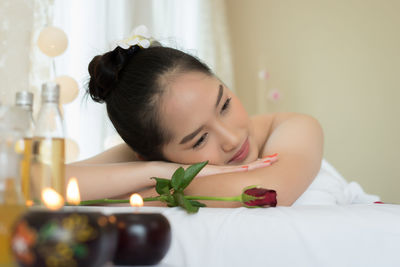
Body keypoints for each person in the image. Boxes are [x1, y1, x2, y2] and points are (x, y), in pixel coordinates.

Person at [66, 38, 324, 207]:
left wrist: (152, 191)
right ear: (149, 156)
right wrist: (161, 172)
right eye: (200, 139)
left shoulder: (292, 127)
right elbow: (42, 180)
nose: (231, 139)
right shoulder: (155, 159)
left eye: (224, 105)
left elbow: (267, 192)